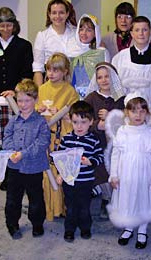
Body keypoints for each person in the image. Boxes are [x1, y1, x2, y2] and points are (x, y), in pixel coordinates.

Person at [0, 7, 33, 191]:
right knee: (0, 140)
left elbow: (27, 74)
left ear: (14, 25)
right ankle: (3, 173)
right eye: (1, 26)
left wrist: (15, 91)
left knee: (16, 138)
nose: (5, 29)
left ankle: (14, 174)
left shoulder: (24, 46)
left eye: (9, 25)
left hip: (17, 100)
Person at [106, 93, 151, 249]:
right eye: (134, 111)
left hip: (144, 173)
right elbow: (116, 154)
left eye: (142, 111)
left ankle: (142, 230)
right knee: (128, 199)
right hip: (126, 173)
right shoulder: (122, 131)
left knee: (142, 199)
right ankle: (129, 227)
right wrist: (114, 175)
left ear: (147, 113)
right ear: (127, 112)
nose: (138, 115)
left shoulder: (149, 132)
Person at [2, 79, 51, 239]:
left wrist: (23, 154)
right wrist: (12, 151)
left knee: (36, 198)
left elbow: (42, 143)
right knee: (12, 199)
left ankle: (37, 224)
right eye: (20, 100)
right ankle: (12, 224)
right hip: (14, 167)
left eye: (27, 100)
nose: (23, 104)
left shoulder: (41, 122)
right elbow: (6, 137)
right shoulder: (13, 121)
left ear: (35, 100)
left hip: (33, 167)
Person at [37, 53, 79, 221]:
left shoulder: (70, 91)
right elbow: (33, 108)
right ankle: (49, 208)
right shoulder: (42, 88)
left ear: (65, 71)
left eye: (56, 70)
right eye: (48, 69)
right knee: (46, 174)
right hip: (45, 137)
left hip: (62, 138)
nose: (51, 73)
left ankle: (62, 207)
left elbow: (75, 115)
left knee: (61, 173)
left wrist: (61, 113)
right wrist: (38, 108)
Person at [56, 101, 104, 242]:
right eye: (75, 122)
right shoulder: (66, 139)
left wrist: (90, 161)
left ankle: (85, 228)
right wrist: (60, 174)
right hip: (69, 181)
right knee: (70, 207)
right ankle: (69, 229)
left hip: (85, 181)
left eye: (83, 122)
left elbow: (100, 157)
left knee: (84, 207)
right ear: (71, 121)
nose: (79, 126)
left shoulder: (93, 140)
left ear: (91, 122)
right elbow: (60, 158)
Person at [84, 62, 125, 219]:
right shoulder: (92, 98)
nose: (103, 80)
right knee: (101, 169)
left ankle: (117, 199)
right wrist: (96, 125)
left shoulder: (121, 98)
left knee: (115, 169)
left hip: (116, 143)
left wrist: (111, 118)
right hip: (97, 142)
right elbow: (82, 117)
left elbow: (127, 119)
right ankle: (105, 198)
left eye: (107, 76)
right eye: (99, 77)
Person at [112, 16, 151, 112]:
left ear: (150, 32)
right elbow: (115, 88)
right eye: (137, 30)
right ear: (131, 33)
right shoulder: (120, 58)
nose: (141, 33)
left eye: (144, 30)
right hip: (127, 113)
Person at [32, 0, 80, 86]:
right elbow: (38, 68)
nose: (57, 16)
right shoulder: (42, 36)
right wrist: (39, 93)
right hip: (52, 84)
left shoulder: (77, 33)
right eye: (54, 13)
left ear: (67, 14)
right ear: (49, 15)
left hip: (75, 83)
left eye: (61, 12)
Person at [71, 14, 110, 99]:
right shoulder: (71, 51)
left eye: (89, 30)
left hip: (95, 97)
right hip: (73, 97)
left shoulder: (102, 52)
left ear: (95, 33)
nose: (84, 33)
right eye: (81, 29)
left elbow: (107, 76)